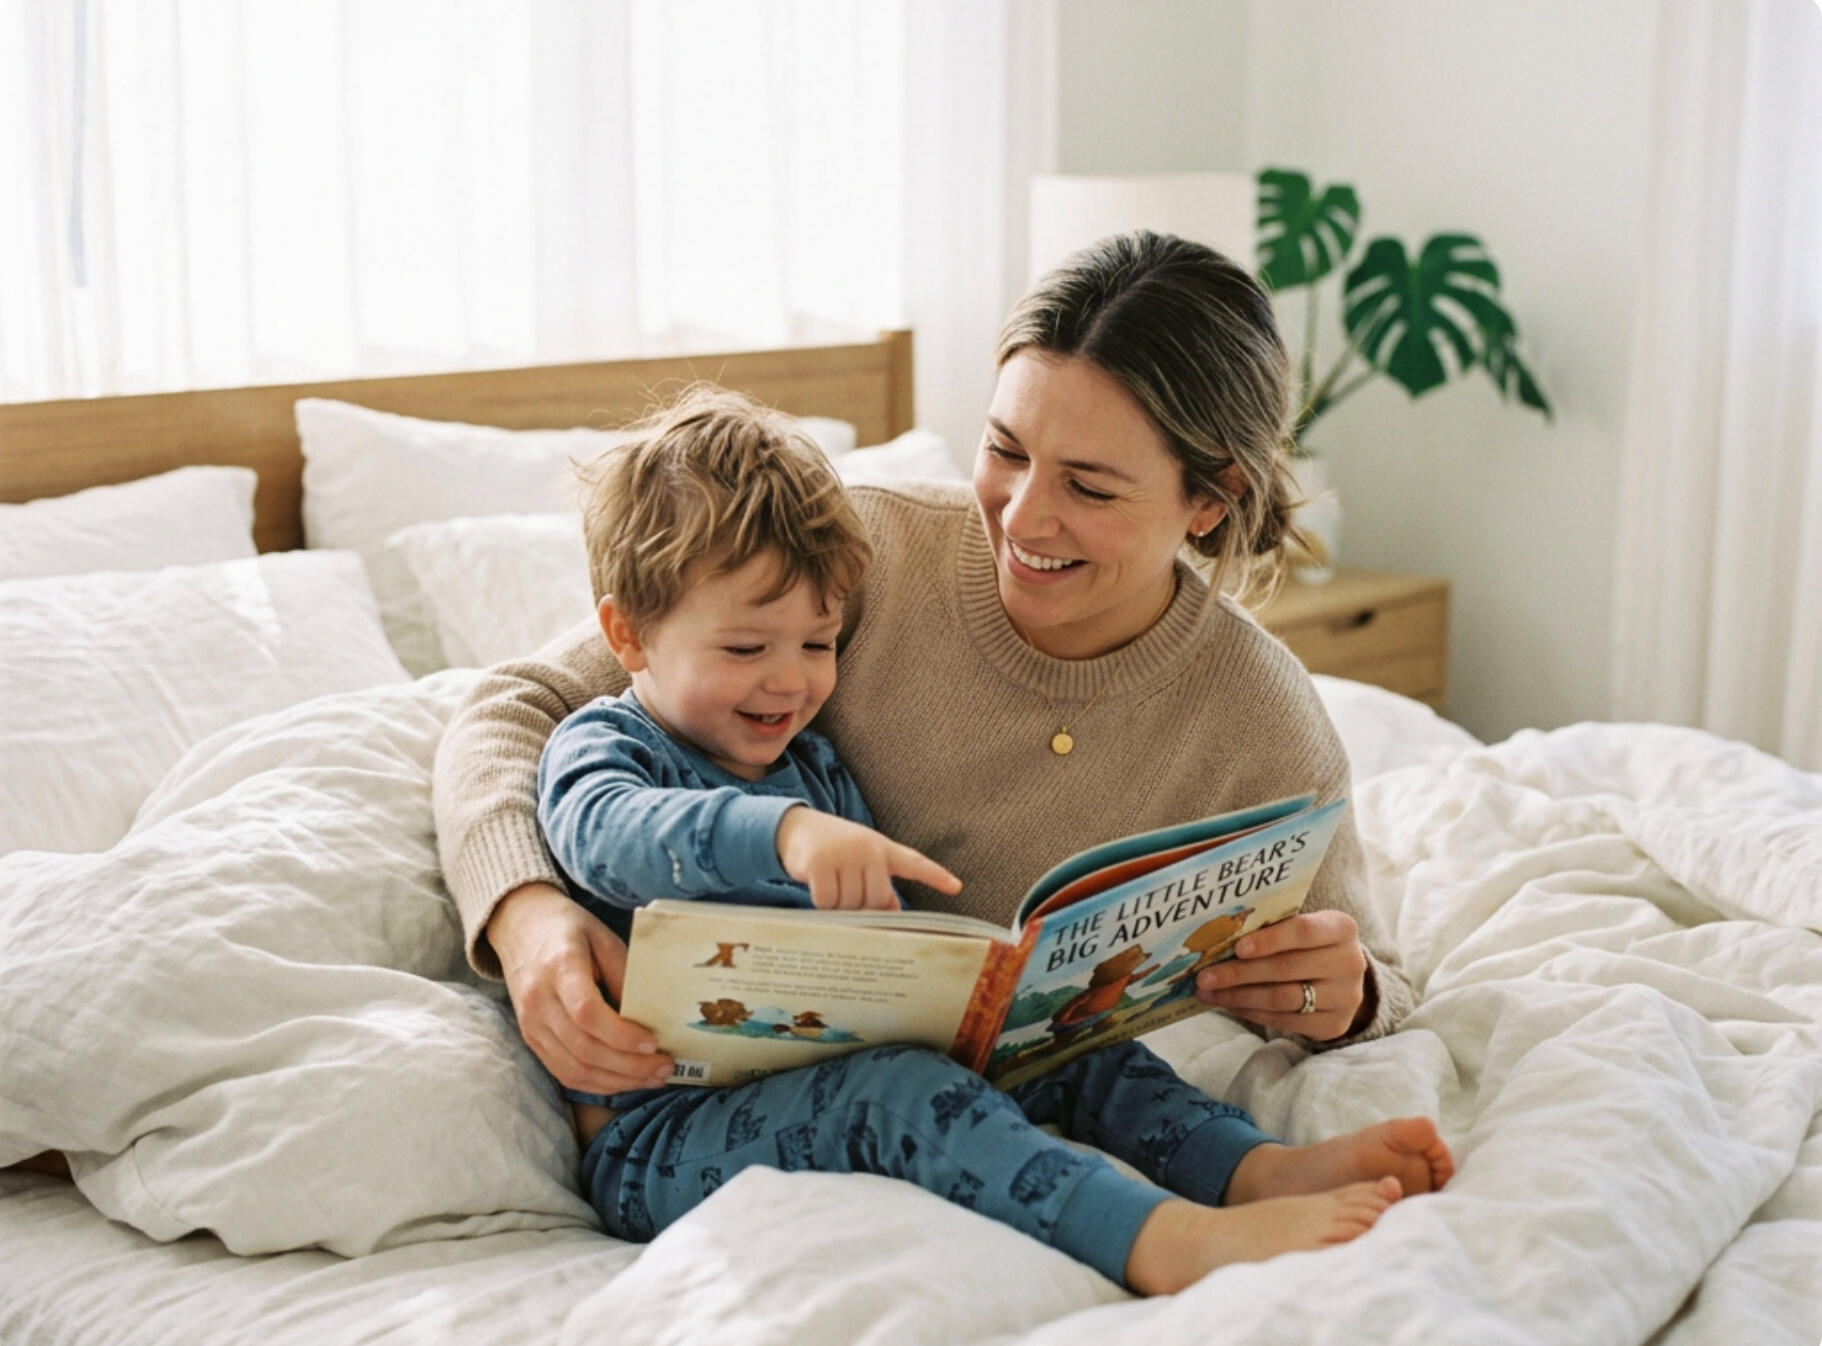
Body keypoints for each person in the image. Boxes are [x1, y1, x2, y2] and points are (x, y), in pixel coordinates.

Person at [434, 231, 1450, 1291]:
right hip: (710, 1098)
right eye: (1005, 449)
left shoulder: (1261, 715)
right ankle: (1161, 1238)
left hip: (954, 1041)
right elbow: (525, 713)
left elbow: (1381, 976)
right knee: (910, 1089)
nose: (1023, 514)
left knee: (1086, 1055)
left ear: (1207, 497)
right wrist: (525, 913)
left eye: (1090, 486)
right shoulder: (833, 559)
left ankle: (1252, 1171)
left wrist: (1344, 995)